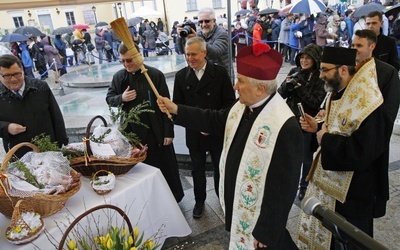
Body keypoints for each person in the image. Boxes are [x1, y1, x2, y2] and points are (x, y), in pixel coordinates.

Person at [158, 42, 303, 249]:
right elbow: (214, 119)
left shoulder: (284, 125)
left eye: (241, 82)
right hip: (240, 205)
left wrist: (267, 230)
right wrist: (176, 109)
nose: (235, 87)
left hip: (261, 222)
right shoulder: (242, 107)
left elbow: (284, 186)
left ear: (260, 88)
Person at [296, 46, 392, 249]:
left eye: (325, 70)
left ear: (342, 70)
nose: (321, 75)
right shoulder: (339, 91)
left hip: (354, 193)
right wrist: (318, 128)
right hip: (332, 189)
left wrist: (325, 139)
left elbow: (363, 151)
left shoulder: (368, 102)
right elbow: (338, 128)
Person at [106, 43, 184, 202]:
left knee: (164, 167)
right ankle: (148, 201)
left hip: (156, 131)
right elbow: (109, 99)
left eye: (129, 60)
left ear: (138, 56)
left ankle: (171, 198)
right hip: (133, 134)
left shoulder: (154, 75)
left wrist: (168, 131)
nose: (126, 65)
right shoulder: (119, 77)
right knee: (140, 171)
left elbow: (166, 105)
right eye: (122, 61)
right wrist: (121, 98)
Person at [173, 37, 235, 218]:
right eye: (187, 54)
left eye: (193, 54)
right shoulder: (181, 76)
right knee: (197, 168)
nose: (190, 58)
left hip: (216, 130)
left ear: (204, 53)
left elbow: (230, 103)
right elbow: (177, 107)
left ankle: (222, 198)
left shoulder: (220, 73)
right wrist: (196, 124)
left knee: (219, 167)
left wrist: (212, 123)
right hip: (194, 132)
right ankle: (199, 201)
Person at [278, 43, 326, 201]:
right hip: (290, 121)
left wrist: (300, 88)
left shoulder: (320, 77)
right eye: (302, 57)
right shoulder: (294, 71)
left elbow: (316, 102)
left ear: (315, 59)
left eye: (308, 58)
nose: (304, 61)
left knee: (306, 158)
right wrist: (287, 84)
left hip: (307, 123)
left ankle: (304, 186)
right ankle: (288, 183)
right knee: (289, 155)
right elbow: (280, 95)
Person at [0, 54, 68, 158]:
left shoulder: (40, 87)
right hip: (19, 153)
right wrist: (6, 128)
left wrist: (63, 144)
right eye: (7, 76)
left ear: (22, 70)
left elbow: (56, 117)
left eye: (17, 74)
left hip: (48, 149)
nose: (13, 79)